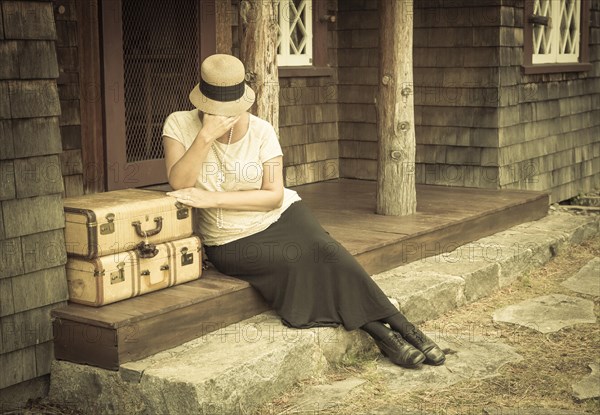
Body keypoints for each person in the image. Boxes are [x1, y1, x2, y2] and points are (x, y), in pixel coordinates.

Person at [162, 54, 445, 368]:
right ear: (202, 100)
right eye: (216, 108)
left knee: (328, 252)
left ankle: (403, 328)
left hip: (281, 214)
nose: (226, 115)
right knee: (297, 262)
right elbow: (180, 182)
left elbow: (272, 197)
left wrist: (211, 199)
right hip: (229, 238)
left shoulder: (261, 131)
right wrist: (205, 136)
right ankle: (383, 333)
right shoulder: (179, 124)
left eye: (232, 108)